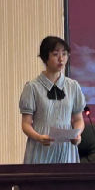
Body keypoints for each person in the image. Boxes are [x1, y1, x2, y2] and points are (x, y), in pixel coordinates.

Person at [20, 36, 86, 164]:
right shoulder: (32, 87)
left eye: (64, 54)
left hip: (66, 148)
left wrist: (77, 134)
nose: (61, 59)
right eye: (56, 54)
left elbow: (79, 120)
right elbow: (26, 124)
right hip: (41, 147)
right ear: (45, 57)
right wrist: (38, 137)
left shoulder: (73, 86)